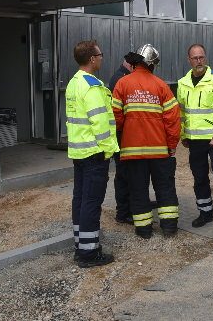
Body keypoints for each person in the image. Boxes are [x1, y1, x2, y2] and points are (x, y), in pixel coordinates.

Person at [112, 44, 181, 238]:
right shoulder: (161, 86)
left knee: (138, 190)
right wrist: (172, 146)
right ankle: (169, 228)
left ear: (135, 63)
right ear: (153, 65)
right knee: (165, 188)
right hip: (160, 151)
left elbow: (115, 118)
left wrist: (124, 135)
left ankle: (144, 230)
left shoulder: (122, 84)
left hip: (132, 152)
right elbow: (173, 120)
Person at [65, 40, 118, 268]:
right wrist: (108, 151)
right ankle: (89, 254)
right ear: (92, 59)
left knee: (80, 199)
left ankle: (81, 244)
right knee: (91, 202)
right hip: (95, 153)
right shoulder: (92, 86)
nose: (102, 58)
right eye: (100, 54)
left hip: (79, 151)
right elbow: (100, 124)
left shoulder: (73, 83)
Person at [177, 44, 213, 235]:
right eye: (195, 58)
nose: (199, 61)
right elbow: (182, 114)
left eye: (201, 57)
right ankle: (205, 213)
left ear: (206, 58)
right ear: (189, 60)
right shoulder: (182, 83)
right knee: (199, 178)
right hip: (195, 141)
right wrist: (184, 135)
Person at [107, 52, 144, 225]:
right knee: (123, 174)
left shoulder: (121, 76)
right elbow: (118, 112)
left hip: (125, 135)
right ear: (131, 65)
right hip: (122, 136)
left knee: (129, 173)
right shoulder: (120, 80)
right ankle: (123, 211)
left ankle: (130, 205)